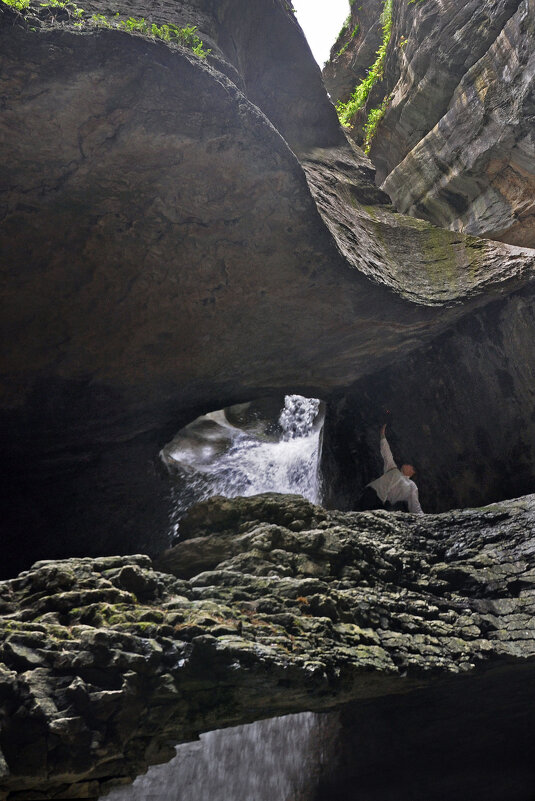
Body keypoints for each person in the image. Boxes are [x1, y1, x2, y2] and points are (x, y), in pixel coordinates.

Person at [358, 424, 423, 515]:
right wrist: (382, 435)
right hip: (370, 492)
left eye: (409, 465)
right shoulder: (393, 469)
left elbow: (415, 505)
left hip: (382, 504)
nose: (405, 464)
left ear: (413, 471)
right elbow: (386, 453)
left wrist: (422, 517)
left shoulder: (412, 486)